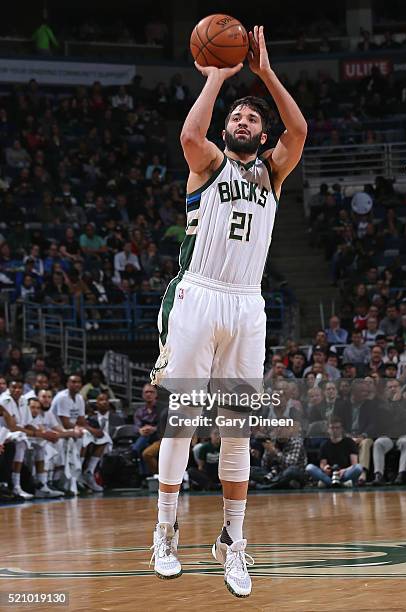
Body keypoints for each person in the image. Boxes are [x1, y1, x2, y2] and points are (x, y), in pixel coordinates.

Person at [149, 24, 307, 597]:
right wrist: (217, 76)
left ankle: (233, 544)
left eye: (252, 121)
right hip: (198, 294)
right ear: (226, 130)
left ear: (263, 137)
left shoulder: (273, 174)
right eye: (236, 119)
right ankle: (165, 533)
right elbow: (191, 132)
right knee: (183, 420)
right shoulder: (207, 164)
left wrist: (264, 71)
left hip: (247, 304)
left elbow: (301, 129)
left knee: (237, 430)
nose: (243, 123)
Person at [306, 418, 362, 487]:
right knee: (309, 468)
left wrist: (344, 470)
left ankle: (329, 483)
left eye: (337, 428)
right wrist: (325, 468)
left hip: (344, 473)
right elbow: (323, 464)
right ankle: (340, 484)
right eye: (332, 428)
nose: (334, 430)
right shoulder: (324, 445)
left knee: (358, 467)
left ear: (341, 429)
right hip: (330, 475)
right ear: (328, 429)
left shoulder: (349, 442)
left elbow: (354, 464)